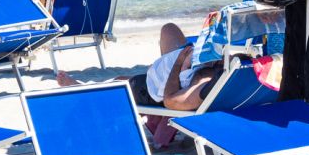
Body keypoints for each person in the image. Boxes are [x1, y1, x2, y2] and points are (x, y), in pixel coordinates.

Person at [57, 21, 223, 111]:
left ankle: (80, 88)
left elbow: (171, 101)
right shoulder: (239, 67)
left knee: (121, 82)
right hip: (186, 72)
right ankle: (158, 70)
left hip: (159, 92)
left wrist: (179, 62)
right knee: (169, 29)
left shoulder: (205, 81)